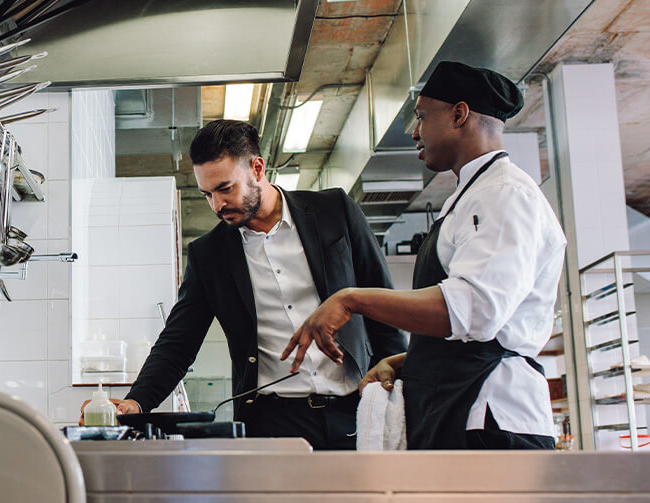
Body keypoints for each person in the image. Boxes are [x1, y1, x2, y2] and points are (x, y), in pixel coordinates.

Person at [282, 61, 566, 450]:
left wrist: (351, 299)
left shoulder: (504, 195)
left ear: (459, 114)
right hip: (456, 410)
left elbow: (474, 311)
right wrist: (402, 362)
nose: (414, 131)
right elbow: (467, 330)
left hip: (490, 417)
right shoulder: (470, 196)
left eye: (421, 117)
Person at [81, 120, 407, 450]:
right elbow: (178, 342)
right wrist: (137, 402)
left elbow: (384, 306)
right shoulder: (209, 254)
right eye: (207, 194)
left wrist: (404, 389)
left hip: (356, 406)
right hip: (273, 420)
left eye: (225, 188)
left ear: (257, 168)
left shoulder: (334, 211)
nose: (217, 205)